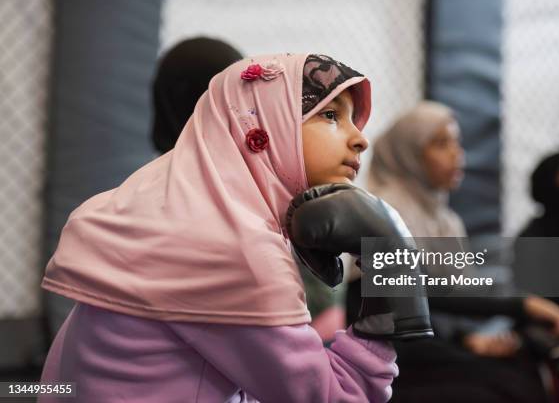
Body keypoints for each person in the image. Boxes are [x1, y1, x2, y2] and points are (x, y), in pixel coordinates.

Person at [38, 54, 402, 402]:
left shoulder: (154, 208)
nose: (360, 138)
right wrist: (391, 291)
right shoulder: (234, 246)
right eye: (331, 115)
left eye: (354, 119)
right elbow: (337, 396)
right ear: (266, 127)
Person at [358, 101, 559, 402]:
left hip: (435, 347)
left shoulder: (445, 220)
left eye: (457, 142)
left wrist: (469, 339)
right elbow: (420, 291)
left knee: (523, 373)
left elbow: (452, 297)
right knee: (502, 388)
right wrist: (522, 305)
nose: (456, 153)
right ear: (408, 153)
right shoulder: (382, 210)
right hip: (393, 356)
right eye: (440, 143)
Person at [152, 38, 343, 342]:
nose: (359, 138)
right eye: (330, 116)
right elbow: (306, 377)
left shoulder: (260, 185)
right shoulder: (204, 211)